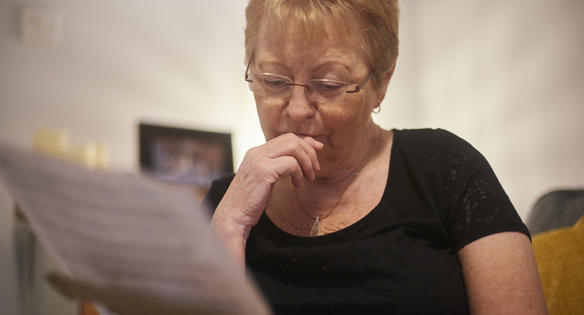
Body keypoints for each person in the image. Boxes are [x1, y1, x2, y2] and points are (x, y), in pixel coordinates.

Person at [206, 0, 548, 314]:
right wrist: (228, 229)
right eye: (274, 80)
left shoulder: (445, 169)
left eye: (328, 84)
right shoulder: (225, 204)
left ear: (382, 81)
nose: (296, 111)